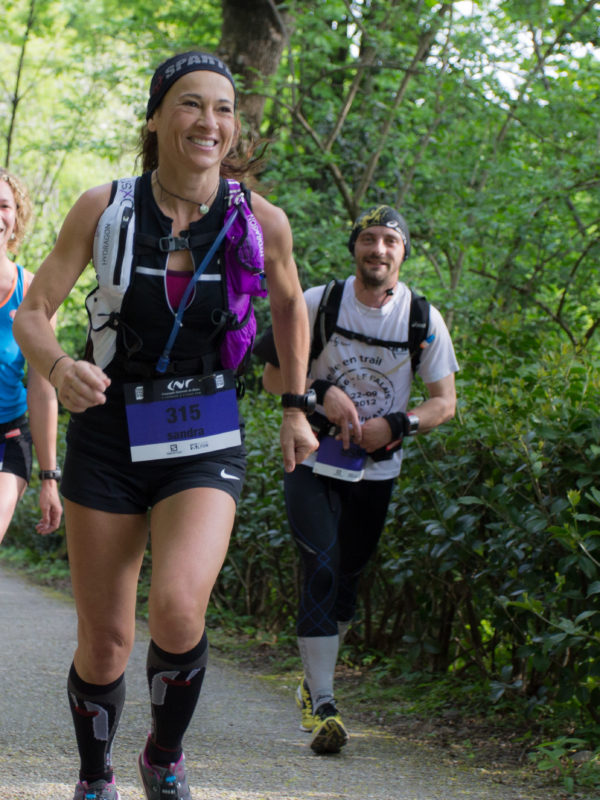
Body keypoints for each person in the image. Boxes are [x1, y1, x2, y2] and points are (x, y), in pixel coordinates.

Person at [14, 51, 317, 800]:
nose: (208, 121)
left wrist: (294, 406)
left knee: (179, 610)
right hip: (110, 431)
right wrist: (57, 369)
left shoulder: (259, 220)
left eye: (222, 108)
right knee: (108, 640)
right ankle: (94, 776)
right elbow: (32, 312)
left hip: (205, 428)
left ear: (235, 126)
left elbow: (289, 305)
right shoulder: (104, 207)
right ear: (156, 119)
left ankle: (164, 755)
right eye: (189, 104)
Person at [259, 205, 459, 754]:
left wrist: (397, 423)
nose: (379, 250)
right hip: (312, 454)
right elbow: (270, 371)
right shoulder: (319, 303)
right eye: (369, 239)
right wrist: (319, 394)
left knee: (346, 578)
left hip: (376, 468)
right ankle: (323, 702)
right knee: (320, 565)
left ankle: (314, 679)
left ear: (403, 252)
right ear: (355, 248)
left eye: (390, 241)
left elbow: (445, 403)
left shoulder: (422, 318)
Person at [0, 168, 62, 543]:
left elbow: (43, 390)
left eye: (4, 205)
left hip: (8, 437)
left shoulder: (32, 292)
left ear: (16, 216)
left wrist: (49, 477)